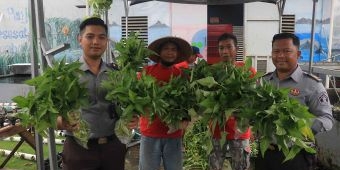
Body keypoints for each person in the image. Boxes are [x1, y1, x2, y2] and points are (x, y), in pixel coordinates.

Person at [56, 17, 138, 170]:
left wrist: (133, 118)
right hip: (79, 149)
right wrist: (60, 122)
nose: (96, 41)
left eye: (101, 37)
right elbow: (50, 112)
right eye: (90, 36)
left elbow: (128, 105)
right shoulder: (66, 75)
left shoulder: (117, 74)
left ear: (106, 41)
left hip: (113, 148)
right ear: (80, 39)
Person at [255, 32, 334, 170]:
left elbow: (327, 119)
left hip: (296, 155)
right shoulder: (263, 82)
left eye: (287, 51)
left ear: (298, 54)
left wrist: (302, 126)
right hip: (267, 153)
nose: (280, 55)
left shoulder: (312, 84)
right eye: (276, 51)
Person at [139, 36, 192, 170]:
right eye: (166, 49)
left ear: (178, 53)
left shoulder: (182, 75)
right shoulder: (146, 72)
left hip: (173, 135)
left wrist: (186, 117)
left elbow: (186, 102)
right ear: (159, 52)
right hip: (150, 132)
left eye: (173, 49)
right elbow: (136, 96)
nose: (170, 52)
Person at [209, 33, 256, 170]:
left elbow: (253, 101)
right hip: (217, 130)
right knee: (215, 166)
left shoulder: (247, 71)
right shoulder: (212, 73)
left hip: (240, 131)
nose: (225, 51)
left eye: (229, 47)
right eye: (221, 48)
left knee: (240, 167)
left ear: (236, 48)